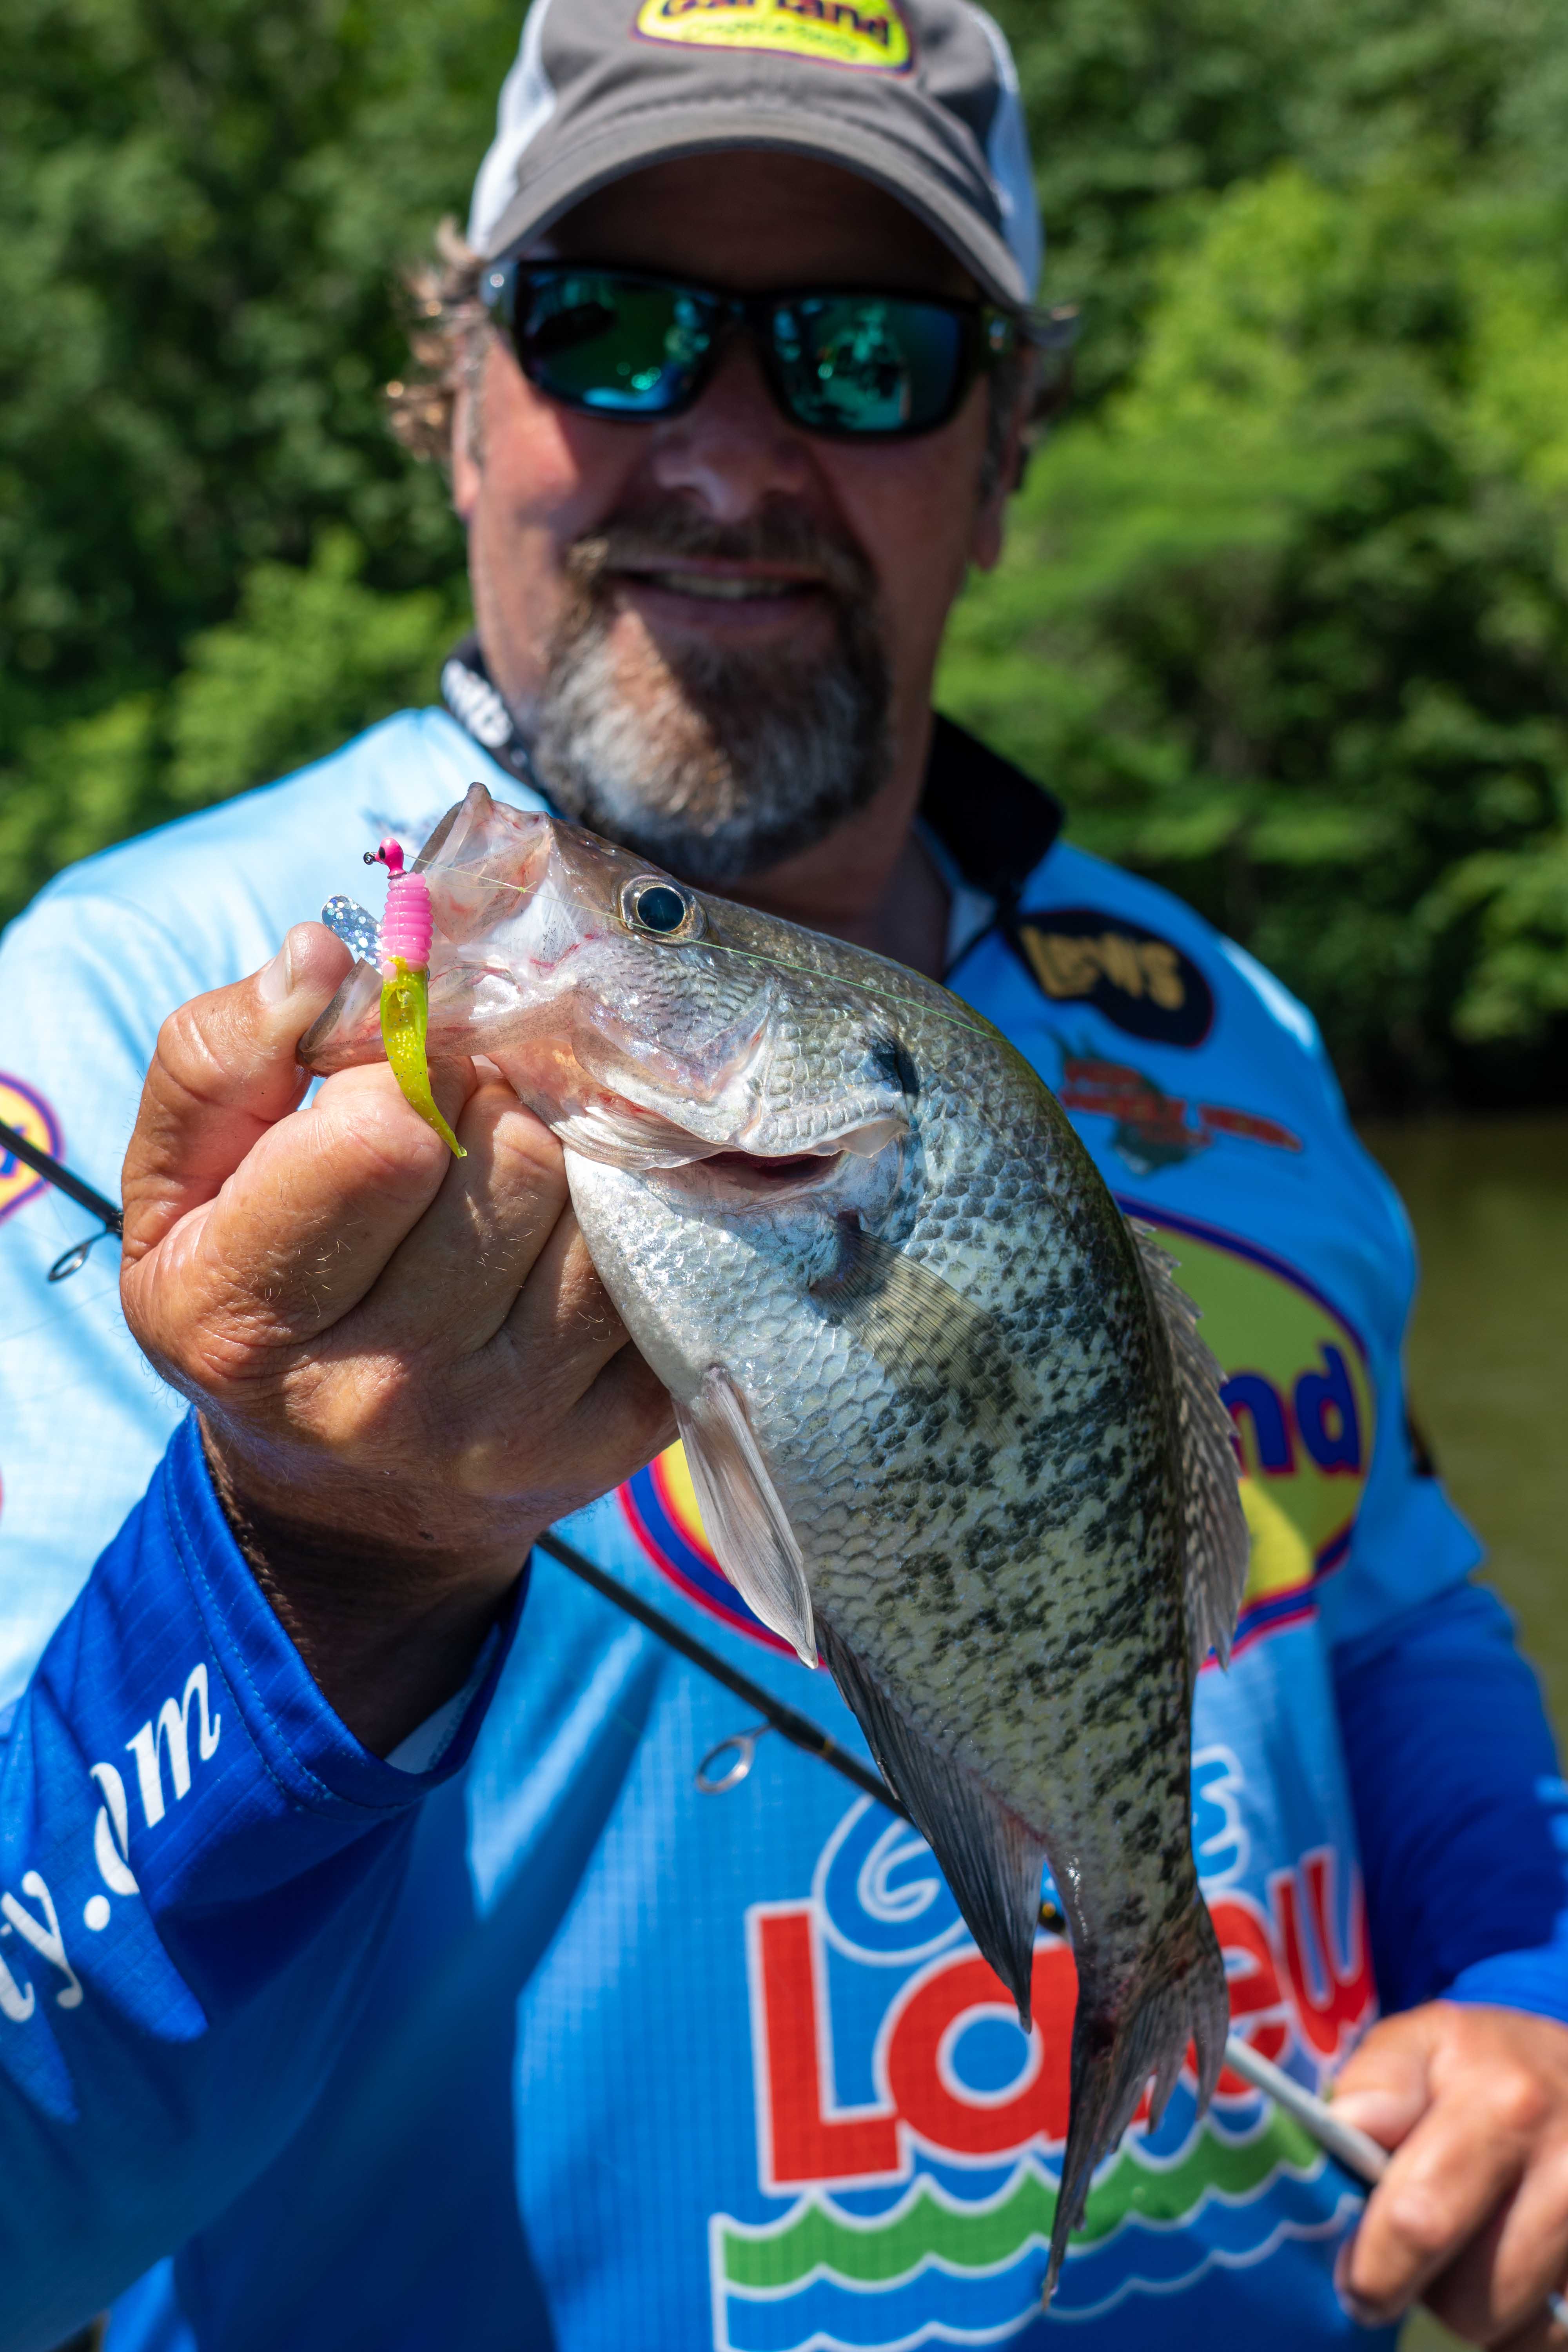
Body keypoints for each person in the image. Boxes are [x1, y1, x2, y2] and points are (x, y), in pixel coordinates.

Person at [1, 3, 1566, 2346]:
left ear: (1007, 445)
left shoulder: (1219, 1021)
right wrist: (317, 1566)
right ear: (452, 400)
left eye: (862, 352)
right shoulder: (122, 1034)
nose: (727, 453)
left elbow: (1386, 1602)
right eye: (611, 328)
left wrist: (1527, 1975)